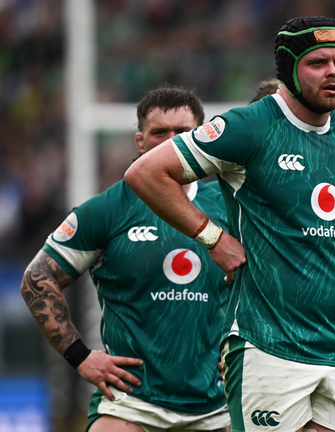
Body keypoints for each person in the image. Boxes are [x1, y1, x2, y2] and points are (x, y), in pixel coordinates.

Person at [124, 16, 335, 432]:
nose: (333, 73)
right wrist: (213, 238)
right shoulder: (248, 127)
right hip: (266, 343)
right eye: (318, 63)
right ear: (288, 70)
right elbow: (146, 173)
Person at [20, 85, 232, 431]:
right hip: (131, 405)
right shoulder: (106, 211)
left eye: (183, 131)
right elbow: (36, 280)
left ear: (200, 139)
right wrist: (81, 357)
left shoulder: (231, 207)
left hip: (218, 406)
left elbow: (274, 278)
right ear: (140, 142)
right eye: (159, 132)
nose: (171, 141)